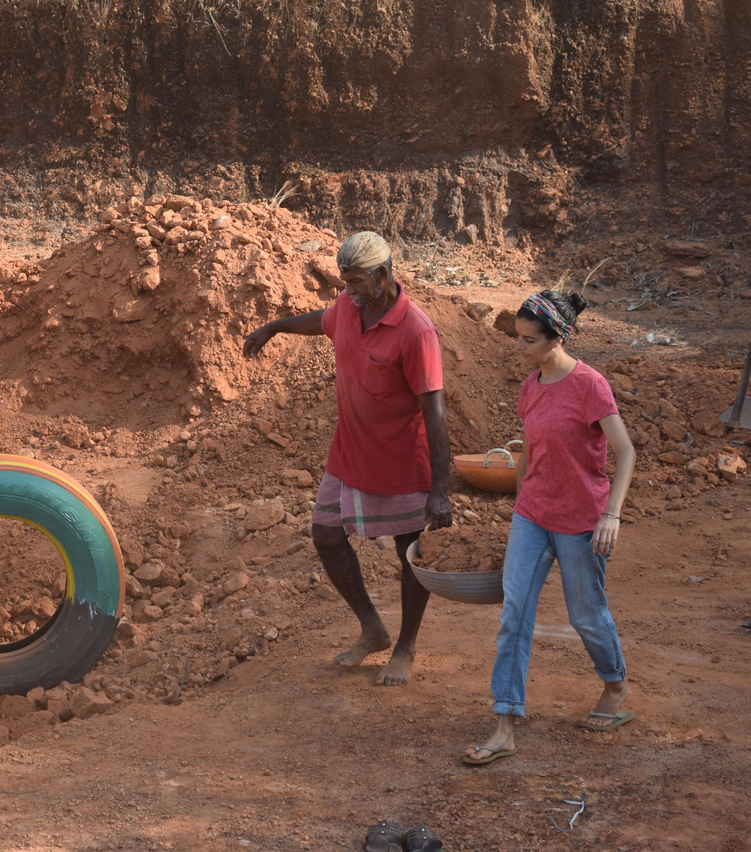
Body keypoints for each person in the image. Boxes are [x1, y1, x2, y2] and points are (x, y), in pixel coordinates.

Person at [242, 231, 452, 687]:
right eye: (346, 282)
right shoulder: (350, 308)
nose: (348, 291)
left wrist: (440, 489)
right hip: (349, 452)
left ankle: (406, 647)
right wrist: (275, 326)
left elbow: (435, 416)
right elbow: (323, 318)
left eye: (356, 281)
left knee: (409, 554)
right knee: (325, 535)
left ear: (382, 274)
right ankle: (373, 628)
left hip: (400, 460)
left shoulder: (417, 332)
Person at [464, 289, 635, 767]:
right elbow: (529, 453)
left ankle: (615, 684)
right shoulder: (530, 386)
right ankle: (504, 725)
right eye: (517, 339)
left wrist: (611, 515)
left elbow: (626, 452)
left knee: (586, 614)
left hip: (583, 521)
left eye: (528, 341)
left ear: (556, 337)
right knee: (513, 614)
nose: (518, 348)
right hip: (533, 516)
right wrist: (517, 502)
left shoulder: (590, 386)